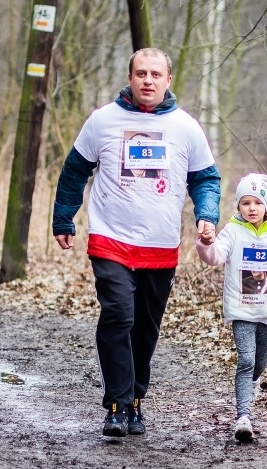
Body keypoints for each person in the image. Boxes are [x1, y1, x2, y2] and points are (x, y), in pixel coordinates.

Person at [52, 48, 221, 438]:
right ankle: (116, 405)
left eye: (155, 74)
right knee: (118, 315)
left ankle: (136, 400)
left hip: (161, 245)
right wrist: (64, 218)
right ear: (129, 78)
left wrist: (206, 216)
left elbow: (206, 179)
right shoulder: (102, 121)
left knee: (145, 328)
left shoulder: (185, 127)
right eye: (140, 73)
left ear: (168, 80)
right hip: (111, 239)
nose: (148, 80)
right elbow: (75, 171)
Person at [196, 173, 267, 443]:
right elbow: (215, 256)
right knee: (246, 360)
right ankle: (243, 417)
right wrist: (206, 243)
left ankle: (253, 383)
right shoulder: (233, 230)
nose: (251, 208)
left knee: (260, 362)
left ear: (266, 205)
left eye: (257, 202)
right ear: (238, 207)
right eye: (245, 203)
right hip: (242, 309)